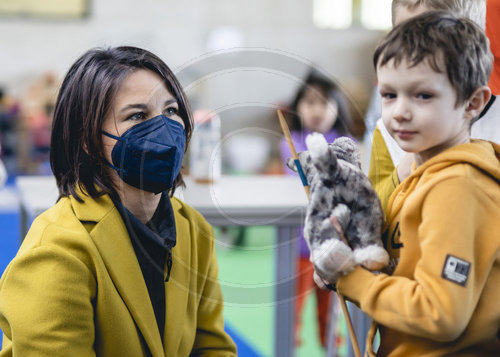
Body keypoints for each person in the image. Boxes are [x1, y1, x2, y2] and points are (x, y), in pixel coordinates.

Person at [0, 46, 237, 357]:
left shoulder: (194, 231)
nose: (164, 129)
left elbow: (212, 346)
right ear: (87, 139)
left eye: (170, 111)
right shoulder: (55, 251)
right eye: (137, 115)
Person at [316, 12, 500, 355]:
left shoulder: (457, 188)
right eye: (389, 95)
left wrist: (352, 280)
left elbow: (440, 314)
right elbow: (411, 279)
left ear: (473, 103)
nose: (400, 111)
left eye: (423, 96)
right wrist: (349, 265)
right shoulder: (423, 178)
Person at [364, 0, 500, 213]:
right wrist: (406, 171)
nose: (413, 56)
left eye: (431, 40)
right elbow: (371, 210)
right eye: (403, 38)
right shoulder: (390, 130)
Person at [280, 69, 353, 348]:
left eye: (324, 102)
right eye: (310, 102)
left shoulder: (345, 145)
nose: (317, 109)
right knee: (292, 318)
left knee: (332, 318)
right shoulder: (290, 144)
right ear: (298, 107)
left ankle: (332, 349)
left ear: (337, 106)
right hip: (297, 248)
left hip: (334, 248)